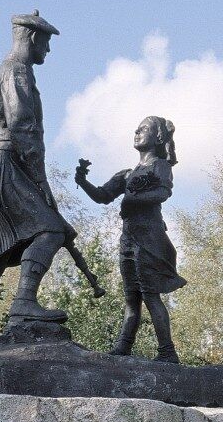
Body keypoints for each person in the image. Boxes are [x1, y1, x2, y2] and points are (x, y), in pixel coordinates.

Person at [0, 11, 76, 354]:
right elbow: (22, 125)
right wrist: (41, 181)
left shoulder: (6, 69)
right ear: (31, 37)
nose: (48, 50)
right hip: (6, 162)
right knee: (52, 230)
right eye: (46, 42)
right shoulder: (17, 71)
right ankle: (24, 302)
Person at [75, 116, 187, 363]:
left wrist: (132, 199)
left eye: (143, 129)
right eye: (136, 129)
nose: (136, 132)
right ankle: (123, 347)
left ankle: (167, 352)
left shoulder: (160, 166)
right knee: (131, 297)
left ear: (158, 137)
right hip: (128, 239)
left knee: (150, 295)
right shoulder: (127, 174)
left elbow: (163, 192)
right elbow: (102, 196)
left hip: (149, 237)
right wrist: (82, 181)